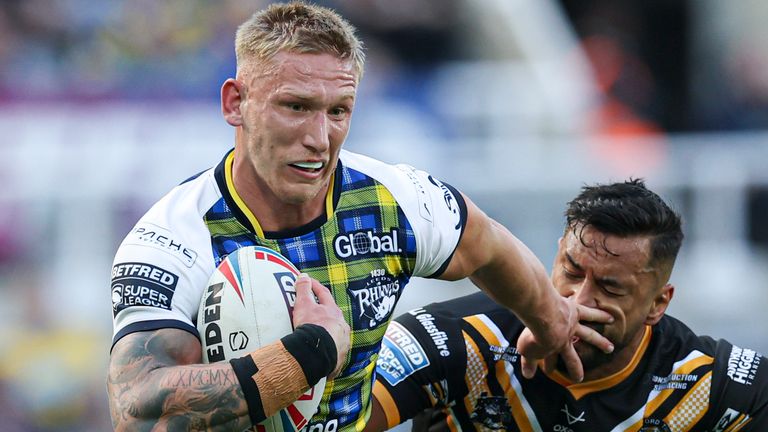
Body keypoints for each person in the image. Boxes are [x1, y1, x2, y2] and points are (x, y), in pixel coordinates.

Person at [106, 2, 613, 431]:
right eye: (296, 106)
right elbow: (137, 407)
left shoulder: (393, 199)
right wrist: (308, 355)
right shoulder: (173, 238)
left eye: (339, 111)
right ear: (236, 103)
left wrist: (549, 322)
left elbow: (488, 245)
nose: (320, 137)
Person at [366, 179, 768, 432]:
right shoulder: (457, 337)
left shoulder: (707, 382)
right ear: (556, 256)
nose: (579, 300)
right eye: (572, 272)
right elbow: (332, 419)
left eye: (610, 288)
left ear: (657, 304)